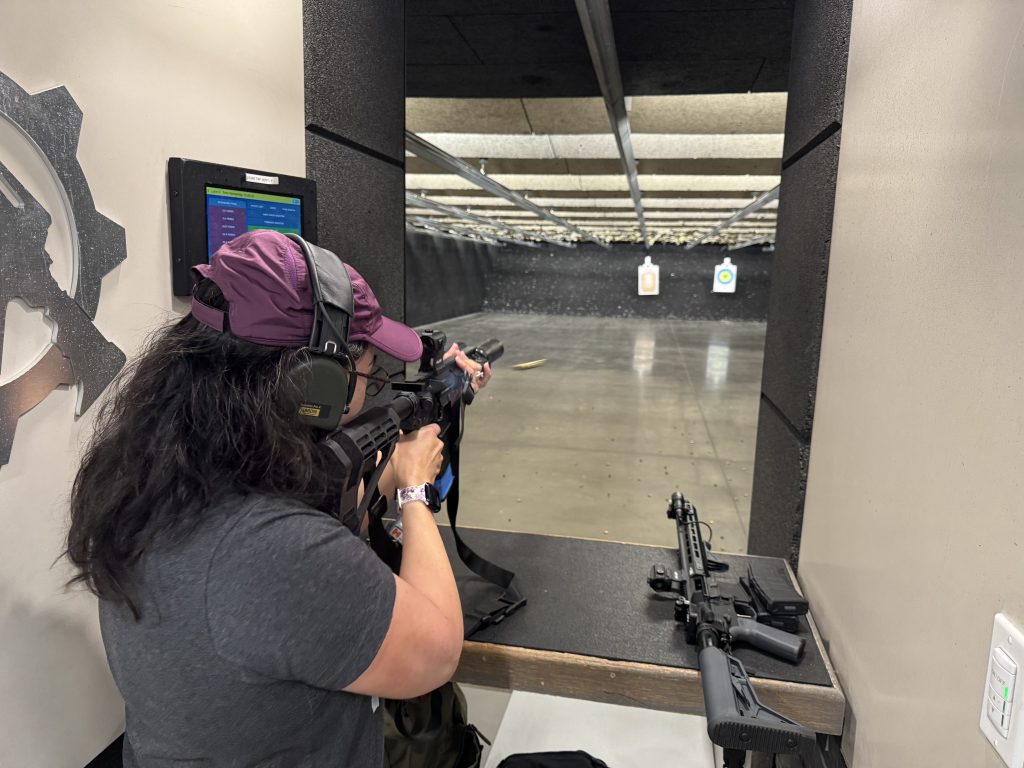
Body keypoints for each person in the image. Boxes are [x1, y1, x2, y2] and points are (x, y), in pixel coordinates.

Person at [66, 230, 491, 767]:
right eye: (367, 369)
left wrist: (409, 444)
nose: (373, 384)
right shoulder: (274, 548)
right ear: (315, 382)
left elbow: (321, 499)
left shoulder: (154, 476)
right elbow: (436, 652)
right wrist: (414, 489)